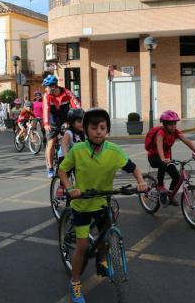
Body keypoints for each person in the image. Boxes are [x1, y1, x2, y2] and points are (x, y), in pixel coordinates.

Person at [58, 108, 148, 303]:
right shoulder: (78, 150)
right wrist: (70, 188)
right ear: (86, 130)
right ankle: (75, 283)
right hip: (81, 204)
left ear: (107, 130)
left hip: (102, 202)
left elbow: (133, 168)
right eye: (93, 127)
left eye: (102, 127)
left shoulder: (113, 151)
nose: (98, 131)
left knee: (105, 239)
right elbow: (62, 170)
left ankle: (102, 261)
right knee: (81, 247)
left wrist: (140, 182)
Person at [145, 110, 195, 206]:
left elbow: (186, 140)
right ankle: (160, 185)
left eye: (174, 123)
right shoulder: (161, 133)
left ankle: (170, 195)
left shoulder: (175, 132)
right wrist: (163, 159)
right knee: (162, 164)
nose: (173, 126)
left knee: (177, 177)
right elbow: (159, 145)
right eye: (170, 124)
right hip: (154, 157)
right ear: (165, 124)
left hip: (165, 158)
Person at [42, 74, 81, 178]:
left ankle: (71, 160)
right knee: (51, 142)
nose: (46, 89)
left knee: (70, 140)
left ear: (53, 86)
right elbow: (46, 109)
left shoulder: (67, 92)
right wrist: (46, 124)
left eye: (47, 87)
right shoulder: (47, 95)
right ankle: (50, 168)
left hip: (65, 121)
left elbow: (76, 105)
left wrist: (79, 116)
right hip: (52, 122)